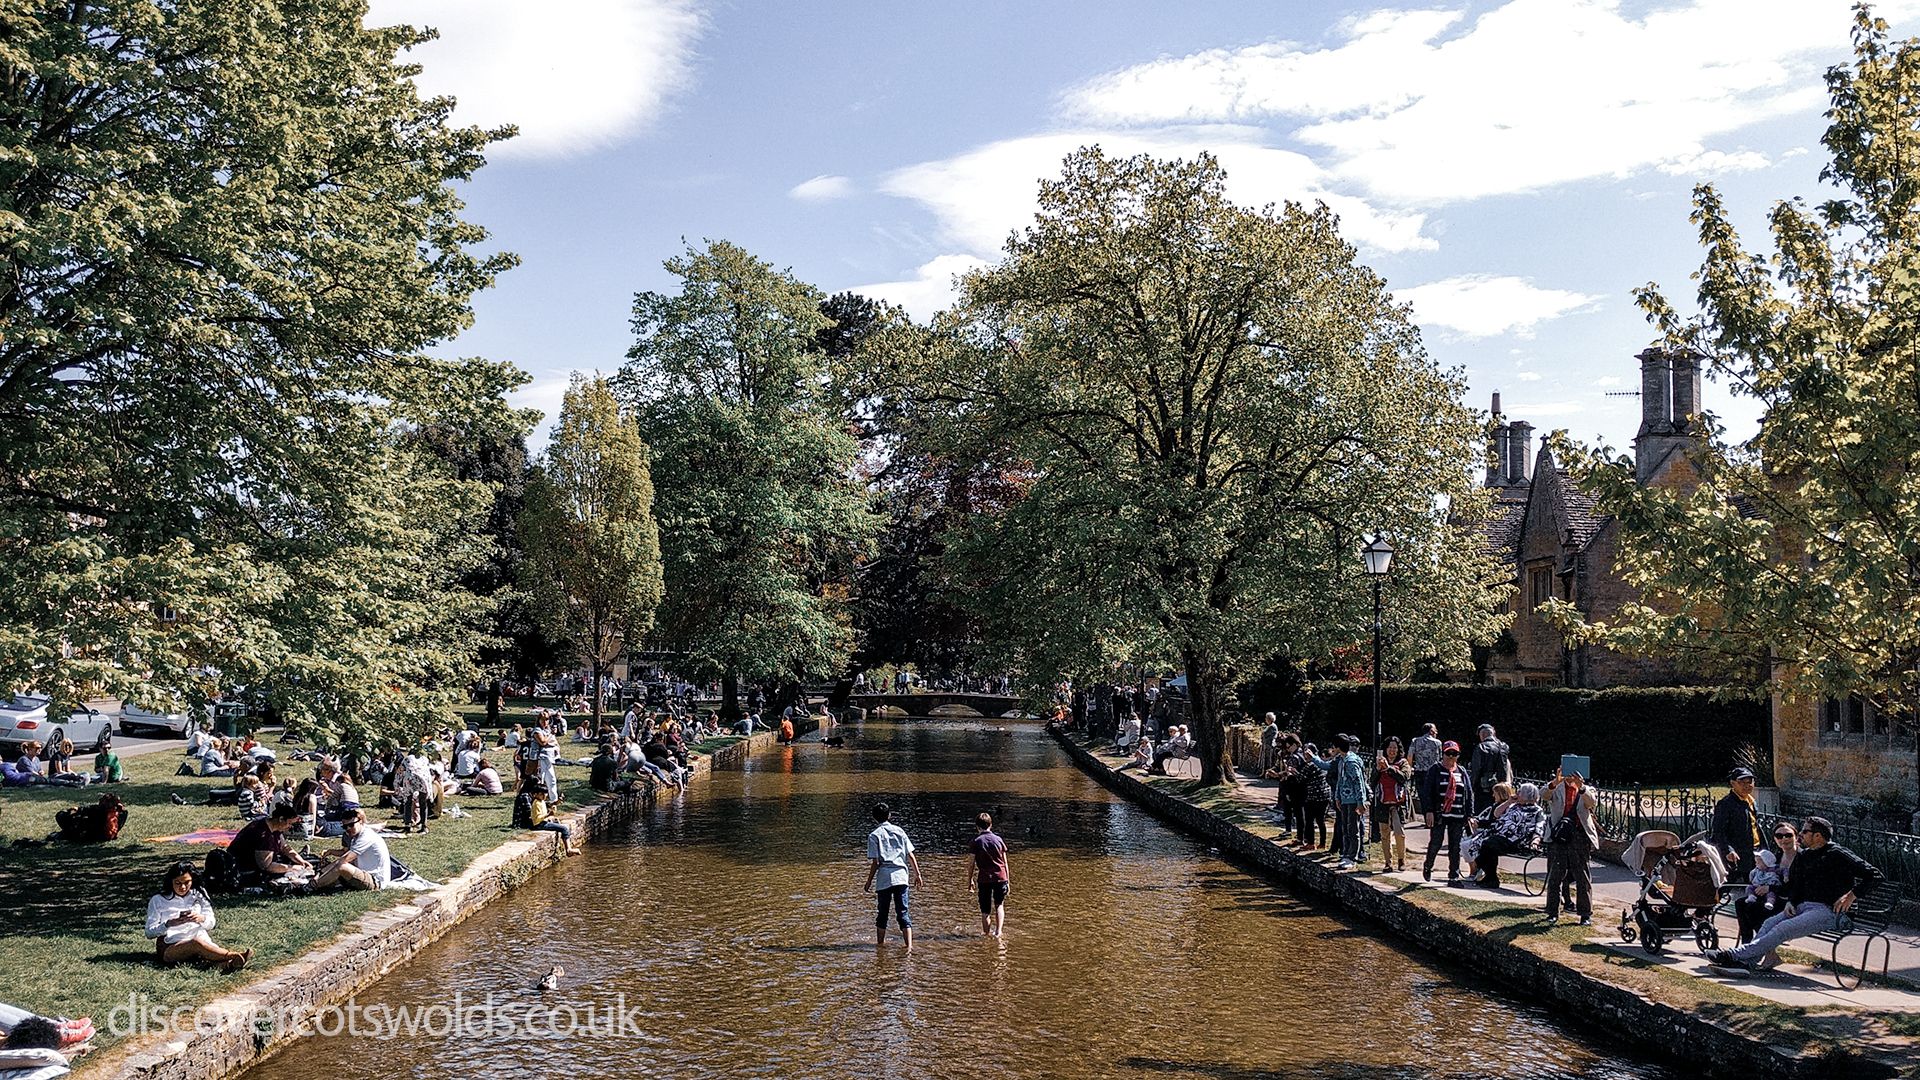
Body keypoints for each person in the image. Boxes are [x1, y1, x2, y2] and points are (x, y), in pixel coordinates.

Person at [1709, 817, 1881, 974]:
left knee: (1783, 929)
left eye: (1805, 831)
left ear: (1818, 836)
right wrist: (1792, 901)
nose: (1800, 835)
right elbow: (1797, 884)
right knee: (1769, 923)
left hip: (1833, 913)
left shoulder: (1837, 854)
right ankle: (1746, 964)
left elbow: (1874, 875)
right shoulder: (1804, 856)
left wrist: (1851, 896)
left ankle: (1733, 956)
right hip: (1803, 908)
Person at [145, 861, 251, 971]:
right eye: (177, 883)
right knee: (196, 944)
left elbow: (211, 923)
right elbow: (149, 932)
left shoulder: (199, 894)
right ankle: (234, 955)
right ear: (171, 881)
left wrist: (201, 918)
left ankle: (229, 964)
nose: (182, 887)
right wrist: (168, 924)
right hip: (171, 945)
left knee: (202, 946)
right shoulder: (158, 900)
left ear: (193, 880)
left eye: (187, 882)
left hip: (200, 937)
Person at [863, 802, 924, 949]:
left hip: (884, 878)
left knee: (882, 913)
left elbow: (876, 862)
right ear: (889, 815)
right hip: (901, 876)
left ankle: (880, 945)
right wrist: (917, 874)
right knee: (903, 912)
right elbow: (910, 855)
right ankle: (909, 946)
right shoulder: (900, 831)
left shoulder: (874, 835)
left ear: (874, 818)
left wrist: (869, 881)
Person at [1543, 769, 1599, 925]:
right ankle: (1552, 911)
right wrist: (1555, 781)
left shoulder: (1587, 789)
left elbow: (1591, 802)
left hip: (1579, 836)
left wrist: (1581, 787)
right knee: (1555, 874)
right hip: (1559, 835)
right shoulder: (1556, 787)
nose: (1569, 776)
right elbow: (1543, 795)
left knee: (1583, 876)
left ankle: (1585, 914)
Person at [1734, 823, 1800, 944]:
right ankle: (1747, 943)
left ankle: (1763, 944)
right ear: (1775, 839)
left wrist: (1770, 888)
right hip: (1775, 896)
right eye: (1779, 836)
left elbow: (1798, 886)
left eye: (1788, 835)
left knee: (1753, 909)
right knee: (1740, 903)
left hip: (1792, 900)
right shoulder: (1777, 856)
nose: (1784, 839)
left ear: (1796, 837)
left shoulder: (1802, 857)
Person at [1420, 741, 1474, 883]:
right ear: (1443, 754)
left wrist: (1469, 815)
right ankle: (1428, 865)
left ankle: (1453, 876)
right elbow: (1427, 792)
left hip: (1457, 814)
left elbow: (1468, 793)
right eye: (1448, 753)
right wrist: (1429, 811)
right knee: (1436, 842)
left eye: (1454, 754)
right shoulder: (1435, 770)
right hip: (1440, 813)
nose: (1451, 757)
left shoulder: (1461, 771)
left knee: (1454, 847)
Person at [227, 806, 310, 888]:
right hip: (242, 866)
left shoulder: (274, 827)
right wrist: (292, 868)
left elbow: (284, 847)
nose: (290, 826)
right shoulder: (264, 835)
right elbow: (267, 866)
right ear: (281, 819)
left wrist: (301, 861)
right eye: (289, 823)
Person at [1710, 767, 1763, 882]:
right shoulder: (1726, 804)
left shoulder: (1751, 801)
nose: (1746, 786)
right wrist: (1728, 850)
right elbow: (1719, 831)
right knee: (1726, 887)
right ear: (1733, 783)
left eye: (1749, 782)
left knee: (1754, 887)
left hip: (1754, 851)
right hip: (1736, 854)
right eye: (1741, 782)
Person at [313, 809, 389, 890]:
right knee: (334, 868)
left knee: (341, 867)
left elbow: (344, 860)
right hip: (363, 873)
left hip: (375, 881)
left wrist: (322, 873)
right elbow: (346, 853)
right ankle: (316, 881)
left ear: (360, 821)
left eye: (351, 825)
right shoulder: (357, 836)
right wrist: (330, 854)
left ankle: (312, 886)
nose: (348, 828)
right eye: (345, 827)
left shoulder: (366, 836)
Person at [967, 811, 1011, 937]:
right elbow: (1005, 862)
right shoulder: (998, 840)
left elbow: (971, 864)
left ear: (977, 827)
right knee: (999, 905)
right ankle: (998, 932)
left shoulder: (976, 841)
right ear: (990, 825)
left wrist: (970, 880)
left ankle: (986, 935)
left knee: (985, 910)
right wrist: (1007, 880)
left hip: (984, 879)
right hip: (1000, 877)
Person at [1327, 734, 1369, 869]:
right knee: (1345, 827)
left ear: (1339, 747)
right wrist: (1337, 797)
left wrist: (1361, 801)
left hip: (1353, 801)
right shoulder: (1341, 760)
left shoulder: (1351, 762)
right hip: (1344, 799)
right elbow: (1340, 780)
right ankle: (1345, 853)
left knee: (1353, 828)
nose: (1332, 749)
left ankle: (1352, 856)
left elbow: (1359, 782)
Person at [1374, 736, 1412, 872]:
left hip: (1398, 803)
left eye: (1394, 748)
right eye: (1390, 747)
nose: (1392, 750)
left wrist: (1389, 768)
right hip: (1382, 802)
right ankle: (1388, 862)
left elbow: (1404, 778)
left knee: (1399, 832)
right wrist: (1378, 769)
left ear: (1398, 749)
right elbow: (1372, 781)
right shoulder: (1379, 762)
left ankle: (1401, 859)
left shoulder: (1403, 763)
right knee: (1384, 833)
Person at [513, 779, 579, 855]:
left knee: (557, 821)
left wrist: (556, 803)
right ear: (536, 794)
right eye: (542, 794)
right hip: (538, 824)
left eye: (546, 794)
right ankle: (568, 849)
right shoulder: (536, 803)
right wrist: (548, 815)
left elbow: (548, 805)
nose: (544, 796)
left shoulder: (541, 801)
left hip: (541, 822)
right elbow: (537, 818)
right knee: (564, 828)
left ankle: (565, 844)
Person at [1294, 739, 1331, 850]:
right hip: (1325, 796)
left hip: (1313, 796)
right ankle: (1322, 843)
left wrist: (1293, 772)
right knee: (1321, 820)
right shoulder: (1322, 763)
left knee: (1309, 820)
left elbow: (1300, 779)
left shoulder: (1310, 765)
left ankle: (1310, 843)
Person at [1467, 723, 1511, 808]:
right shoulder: (1503, 747)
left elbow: (1476, 770)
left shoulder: (1481, 747)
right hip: (1500, 789)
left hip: (1484, 789)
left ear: (1482, 735)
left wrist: (1471, 786)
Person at [1407, 723, 1443, 814]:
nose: (1436, 732)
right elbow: (1440, 759)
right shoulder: (1437, 742)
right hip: (1433, 772)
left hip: (1419, 772)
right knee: (1434, 794)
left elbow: (1410, 756)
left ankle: (1425, 815)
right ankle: (1433, 815)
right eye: (1435, 730)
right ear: (1431, 731)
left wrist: (1410, 768)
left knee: (1422, 795)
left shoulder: (1415, 741)